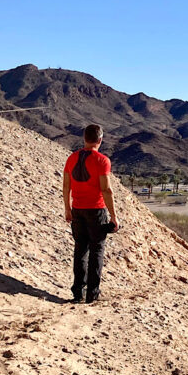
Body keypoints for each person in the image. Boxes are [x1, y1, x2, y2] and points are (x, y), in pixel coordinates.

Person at [62, 123, 119, 303]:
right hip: (96, 211)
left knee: (80, 251)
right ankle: (92, 295)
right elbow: (106, 190)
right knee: (96, 252)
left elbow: (66, 186)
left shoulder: (71, 158)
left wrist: (67, 208)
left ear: (84, 139)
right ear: (100, 140)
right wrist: (114, 216)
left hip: (77, 210)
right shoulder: (102, 160)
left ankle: (77, 293)